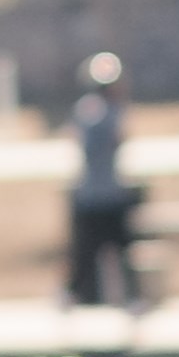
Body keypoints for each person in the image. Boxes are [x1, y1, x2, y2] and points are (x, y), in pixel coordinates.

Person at [58, 50, 145, 316]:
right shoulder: (96, 110)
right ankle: (72, 293)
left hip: (108, 193)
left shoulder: (108, 109)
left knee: (121, 249)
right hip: (95, 195)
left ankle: (132, 296)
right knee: (85, 252)